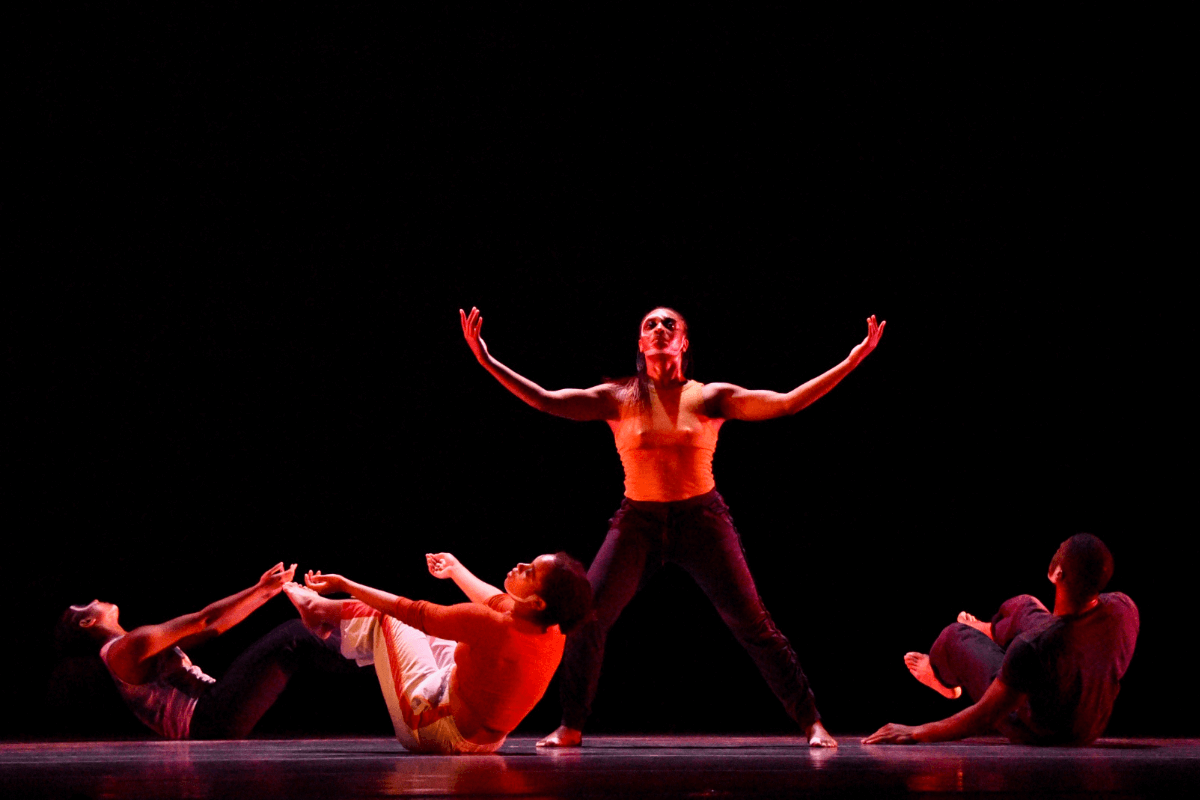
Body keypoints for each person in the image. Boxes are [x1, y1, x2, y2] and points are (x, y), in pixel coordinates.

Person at [459, 305, 886, 748]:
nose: (660, 329)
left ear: (683, 343)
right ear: (641, 345)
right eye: (650, 325)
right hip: (637, 523)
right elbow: (547, 399)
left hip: (701, 520)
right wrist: (488, 361)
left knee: (753, 624)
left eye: (670, 325)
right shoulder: (618, 397)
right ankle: (571, 726)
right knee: (588, 619)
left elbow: (786, 402)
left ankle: (813, 722)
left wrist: (852, 359)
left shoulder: (708, 397)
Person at [283, 550, 592, 754]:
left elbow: (411, 610)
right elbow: (496, 601)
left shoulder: (494, 627)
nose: (521, 566)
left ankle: (317, 608)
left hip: (438, 733)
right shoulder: (551, 627)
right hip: (485, 741)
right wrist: (456, 571)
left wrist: (346, 584)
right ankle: (330, 617)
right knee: (440, 635)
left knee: (390, 617)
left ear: (538, 602)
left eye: (530, 573)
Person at [864, 533, 1139, 746]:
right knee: (1024, 605)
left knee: (954, 636)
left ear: (1058, 573)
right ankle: (985, 628)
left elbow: (984, 716)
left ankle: (942, 678)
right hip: (1089, 726)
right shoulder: (1124, 609)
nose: (1056, 550)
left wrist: (915, 732)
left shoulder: (1033, 646)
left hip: (1041, 730)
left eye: (1060, 549)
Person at [55, 562, 355, 739]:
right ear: (87, 621)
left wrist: (265, 592)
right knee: (294, 634)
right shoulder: (128, 647)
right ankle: (374, 654)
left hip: (212, 717)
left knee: (295, 638)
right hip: (208, 718)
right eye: (86, 604)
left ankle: (370, 652)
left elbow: (213, 630)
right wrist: (257, 588)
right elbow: (203, 619)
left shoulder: (130, 648)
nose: (95, 598)